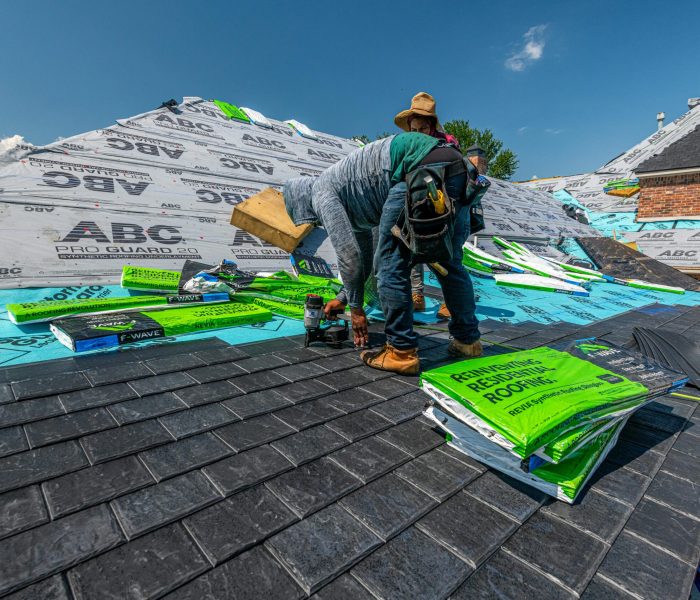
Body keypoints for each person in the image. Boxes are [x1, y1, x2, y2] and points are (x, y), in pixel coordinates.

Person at [283, 132, 481, 375]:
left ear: (301, 203)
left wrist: (356, 310)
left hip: (417, 169)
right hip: (456, 167)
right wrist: (344, 298)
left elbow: (349, 257)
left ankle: (401, 352)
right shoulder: (352, 195)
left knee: (389, 265)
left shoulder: (321, 193)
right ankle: (468, 342)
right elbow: (363, 256)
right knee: (448, 261)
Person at [394, 92, 459, 316]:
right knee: (415, 252)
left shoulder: (447, 145)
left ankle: (452, 303)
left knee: (447, 258)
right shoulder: (409, 148)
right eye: (414, 130)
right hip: (419, 209)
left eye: (422, 129)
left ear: (431, 127)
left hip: (446, 211)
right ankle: (417, 296)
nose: (418, 134)